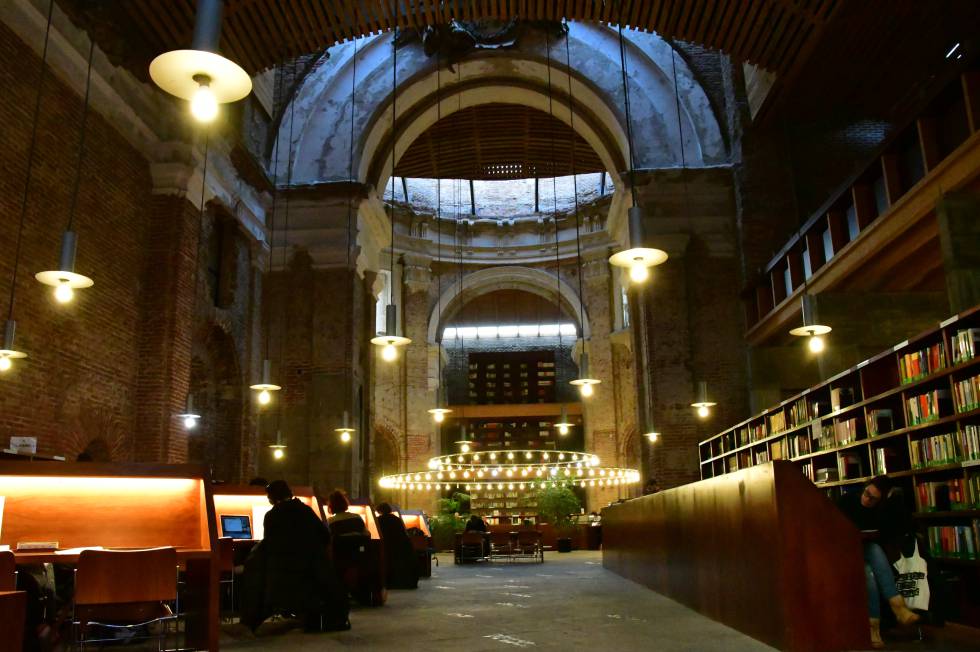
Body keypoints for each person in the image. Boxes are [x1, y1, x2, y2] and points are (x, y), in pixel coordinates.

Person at [240, 480, 349, 632]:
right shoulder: (305, 509)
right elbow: (324, 535)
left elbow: (271, 544)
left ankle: (250, 617)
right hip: (312, 567)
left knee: (253, 567)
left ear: (272, 497)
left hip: (284, 570)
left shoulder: (272, 515)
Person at [837, 476, 919, 648]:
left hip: (866, 552)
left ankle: (874, 628)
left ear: (880, 500)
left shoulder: (881, 510)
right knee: (872, 557)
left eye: (873, 498)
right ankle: (897, 608)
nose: (867, 499)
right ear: (865, 487)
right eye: (867, 493)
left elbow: (893, 529)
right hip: (845, 552)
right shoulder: (846, 501)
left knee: (871, 569)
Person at [376, 503, 419, 590]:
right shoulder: (397, 519)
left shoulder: (379, 520)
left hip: (388, 545)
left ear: (380, 510)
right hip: (401, 545)